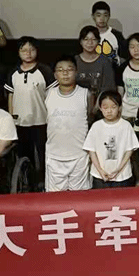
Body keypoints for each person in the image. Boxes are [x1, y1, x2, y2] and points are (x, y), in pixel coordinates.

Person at [5, 36, 56, 188]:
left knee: (43, 154)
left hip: (42, 120)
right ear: (18, 52)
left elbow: (52, 95)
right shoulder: (13, 72)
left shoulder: (44, 70)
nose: (28, 53)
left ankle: (44, 183)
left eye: (31, 50)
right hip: (20, 122)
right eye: (24, 50)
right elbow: (11, 96)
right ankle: (29, 184)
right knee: (24, 155)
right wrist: (11, 117)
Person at [46, 56, 91, 192]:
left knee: (80, 197)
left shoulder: (86, 94)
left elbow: (90, 118)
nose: (65, 73)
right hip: (54, 155)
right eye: (60, 70)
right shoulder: (48, 94)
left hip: (79, 155)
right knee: (55, 198)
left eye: (69, 69)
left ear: (76, 72)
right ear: (55, 74)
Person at [116, 33, 139, 183]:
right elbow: (120, 92)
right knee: (131, 151)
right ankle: (137, 181)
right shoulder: (123, 68)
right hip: (128, 115)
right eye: (132, 47)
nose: (136, 50)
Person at [83, 91, 139, 188]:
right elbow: (91, 151)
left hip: (122, 175)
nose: (109, 111)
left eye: (113, 107)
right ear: (100, 108)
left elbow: (129, 150)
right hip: (99, 175)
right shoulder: (96, 126)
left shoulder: (126, 126)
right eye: (105, 107)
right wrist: (100, 171)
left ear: (119, 107)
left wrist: (119, 169)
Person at [75, 25, 116, 104]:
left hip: (101, 104)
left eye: (93, 39)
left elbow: (108, 89)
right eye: (86, 39)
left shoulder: (105, 61)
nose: (90, 43)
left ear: (98, 41)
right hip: (77, 104)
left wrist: (97, 106)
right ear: (80, 42)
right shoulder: (74, 61)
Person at [91, 1, 127, 68]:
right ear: (93, 16)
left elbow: (125, 58)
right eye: (98, 15)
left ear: (109, 16)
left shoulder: (117, 35)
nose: (102, 18)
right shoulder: (89, 35)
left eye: (105, 15)